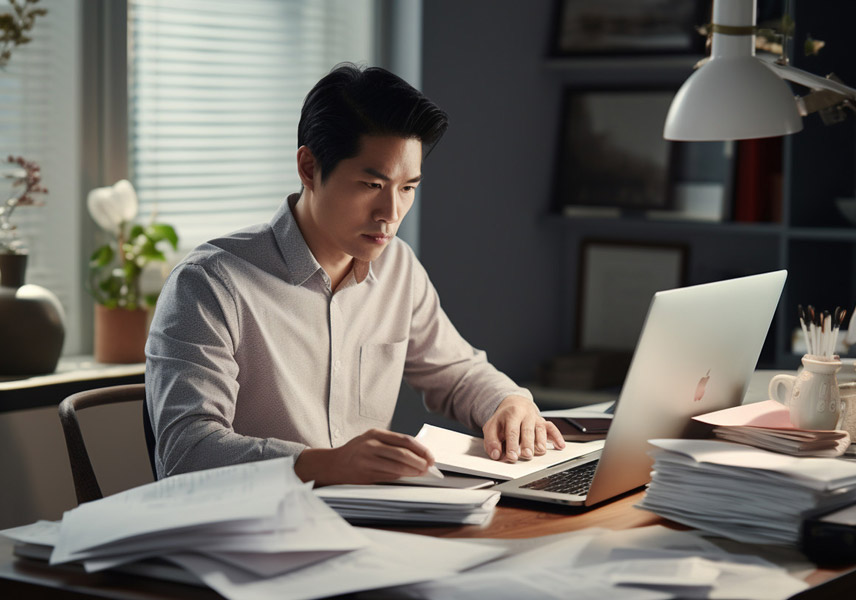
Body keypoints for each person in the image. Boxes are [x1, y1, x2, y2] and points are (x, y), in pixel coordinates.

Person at [145, 63, 564, 485]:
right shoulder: (209, 285)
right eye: (371, 185)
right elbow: (187, 452)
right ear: (309, 168)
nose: (391, 214)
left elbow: (457, 372)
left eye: (407, 188)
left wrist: (509, 401)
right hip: (248, 532)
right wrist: (324, 465)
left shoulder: (397, 266)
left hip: (369, 521)